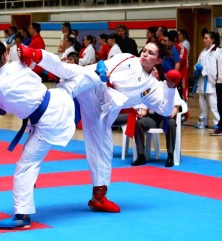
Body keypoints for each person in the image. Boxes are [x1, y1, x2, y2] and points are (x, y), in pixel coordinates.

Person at [18, 41, 181, 213]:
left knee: (103, 149)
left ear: (158, 60)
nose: (145, 54)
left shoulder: (153, 87)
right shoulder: (127, 59)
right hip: (93, 86)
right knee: (71, 72)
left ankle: (99, 196)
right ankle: (33, 54)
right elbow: (102, 66)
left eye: (151, 53)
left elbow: (166, 110)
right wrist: (104, 73)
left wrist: (170, 89)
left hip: (102, 112)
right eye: (145, 50)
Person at [0, 40, 105, 229]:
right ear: (5, 55)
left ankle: (22, 216)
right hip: (56, 100)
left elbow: (4, 108)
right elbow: (32, 70)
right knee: (70, 81)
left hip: (47, 122)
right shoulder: (17, 65)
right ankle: (98, 72)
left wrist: (1, 107)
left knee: (26, 166)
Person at [132, 85, 182, 167]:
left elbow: (176, 107)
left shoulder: (171, 86)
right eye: (153, 71)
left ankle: (170, 156)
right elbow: (144, 108)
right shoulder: (148, 86)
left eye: (156, 71)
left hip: (165, 117)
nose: (154, 72)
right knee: (139, 123)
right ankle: (140, 155)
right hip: (152, 118)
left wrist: (171, 115)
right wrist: (141, 113)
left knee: (171, 123)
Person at [194, 31, 220, 129]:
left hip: (211, 82)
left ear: (212, 40)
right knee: (202, 104)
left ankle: (217, 122)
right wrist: (196, 69)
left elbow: (213, 69)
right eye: (204, 38)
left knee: (213, 104)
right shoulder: (204, 51)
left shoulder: (216, 51)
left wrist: (203, 71)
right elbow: (198, 63)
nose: (204, 40)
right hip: (201, 81)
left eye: (206, 38)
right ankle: (202, 121)